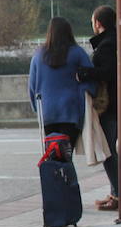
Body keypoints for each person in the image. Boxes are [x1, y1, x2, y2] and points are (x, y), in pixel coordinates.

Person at [28, 16, 95, 149]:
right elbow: (91, 79)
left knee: (53, 154)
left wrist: (37, 108)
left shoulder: (38, 56)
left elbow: (32, 86)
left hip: (47, 111)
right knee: (66, 154)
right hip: (71, 110)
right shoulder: (77, 53)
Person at [77, 6, 118, 210]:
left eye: (92, 21)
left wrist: (84, 73)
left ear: (98, 23)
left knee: (108, 150)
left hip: (108, 105)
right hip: (116, 103)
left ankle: (119, 195)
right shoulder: (115, 41)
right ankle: (116, 192)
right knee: (110, 148)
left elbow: (107, 73)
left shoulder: (107, 45)